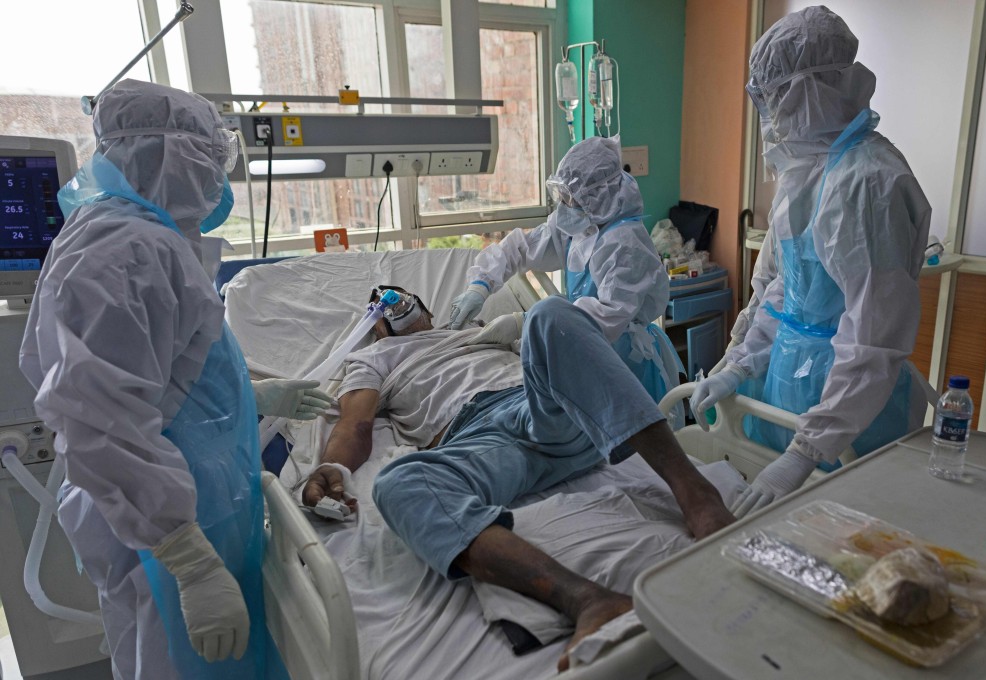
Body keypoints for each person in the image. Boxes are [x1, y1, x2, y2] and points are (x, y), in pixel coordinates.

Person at [19, 80, 329, 679]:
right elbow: (95, 420)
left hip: (184, 501)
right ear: (172, 156)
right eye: (213, 161)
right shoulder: (125, 253)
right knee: (172, 661)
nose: (220, 181)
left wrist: (253, 396)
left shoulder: (141, 238)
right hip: (167, 530)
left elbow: (161, 375)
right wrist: (190, 562)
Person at [302, 286, 735, 672]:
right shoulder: (374, 357)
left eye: (401, 295)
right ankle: (589, 601)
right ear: (377, 327)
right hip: (480, 440)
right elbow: (355, 427)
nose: (393, 302)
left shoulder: (476, 329)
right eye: (383, 304)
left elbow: (566, 349)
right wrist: (332, 467)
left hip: (546, 409)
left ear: (431, 310)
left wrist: (516, 326)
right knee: (397, 483)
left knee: (551, 312)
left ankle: (697, 494)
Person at [692, 6, 931, 517]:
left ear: (813, 89)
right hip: (786, 384)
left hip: (851, 410)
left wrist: (807, 451)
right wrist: (736, 367)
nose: (771, 114)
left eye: (778, 97)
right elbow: (783, 296)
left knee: (844, 543)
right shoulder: (807, 174)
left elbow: (872, 338)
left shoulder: (869, 184)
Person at [447, 135, 683, 403]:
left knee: (622, 436)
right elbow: (522, 247)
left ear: (598, 196)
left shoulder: (624, 245)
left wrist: (528, 322)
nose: (563, 205)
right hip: (579, 349)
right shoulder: (579, 225)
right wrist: (480, 285)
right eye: (562, 194)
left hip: (621, 362)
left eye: (570, 197)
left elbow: (605, 319)